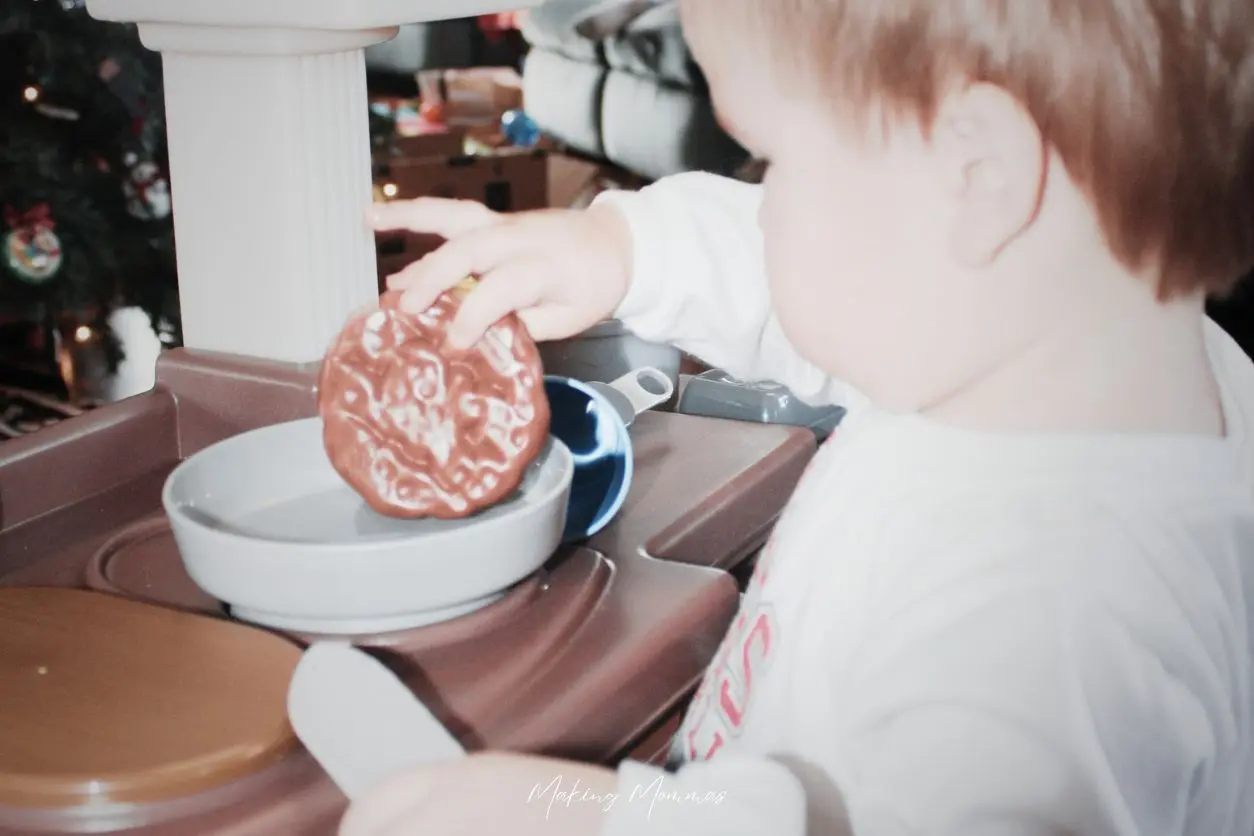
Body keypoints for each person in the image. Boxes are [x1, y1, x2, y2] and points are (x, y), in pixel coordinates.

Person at [341, 0, 1254, 833]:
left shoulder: (1050, 628)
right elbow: (846, 284)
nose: (764, 203)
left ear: (980, 172)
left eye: (775, 160)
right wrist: (625, 248)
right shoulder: (1062, 351)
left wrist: (588, 818)